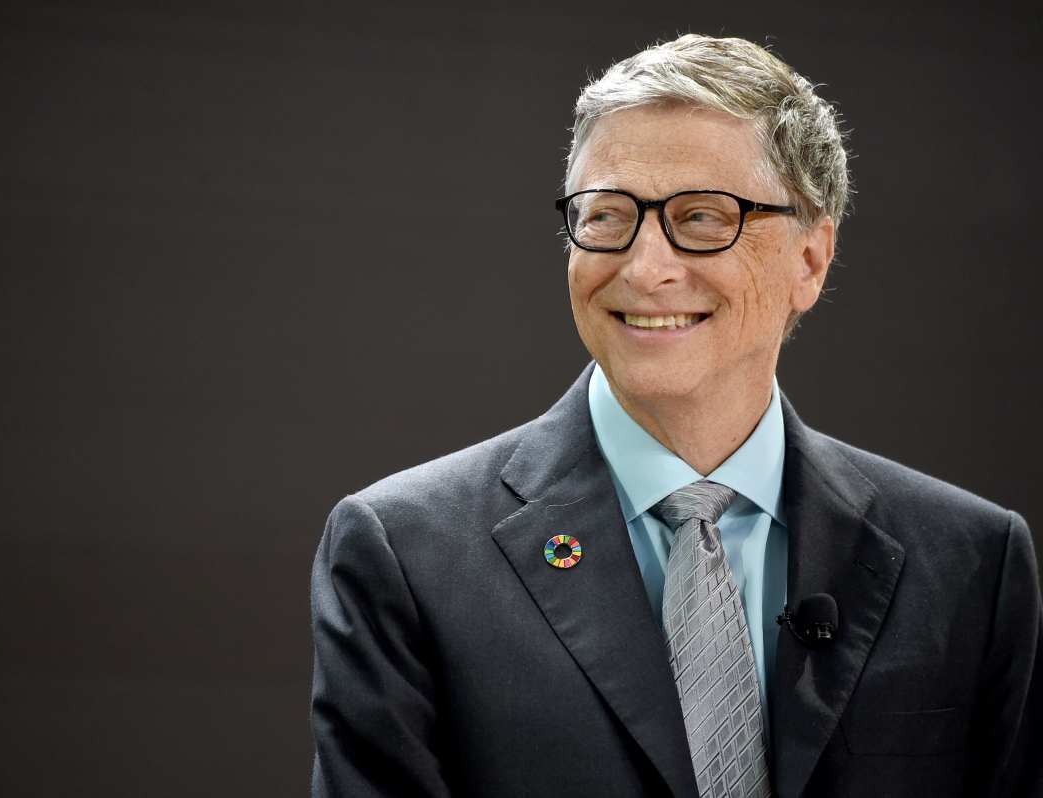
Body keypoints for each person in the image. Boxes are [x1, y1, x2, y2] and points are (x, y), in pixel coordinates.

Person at [308, 34, 1042, 798]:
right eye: (606, 216)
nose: (645, 266)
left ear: (811, 260)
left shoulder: (970, 564)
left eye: (701, 218)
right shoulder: (407, 554)